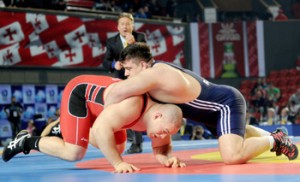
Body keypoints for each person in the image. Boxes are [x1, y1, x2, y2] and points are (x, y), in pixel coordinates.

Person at [104, 42, 298, 163]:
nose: (126, 74)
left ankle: (275, 140)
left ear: (144, 65)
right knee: (243, 134)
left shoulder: (154, 73)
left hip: (225, 103)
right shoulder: (151, 76)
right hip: (210, 112)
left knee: (232, 156)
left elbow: (114, 94)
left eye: (129, 68)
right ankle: (277, 136)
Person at [2, 75, 185, 173]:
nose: (162, 136)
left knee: (118, 147)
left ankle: (66, 128)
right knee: (74, 152)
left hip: (103, 112)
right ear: (158, 115)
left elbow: (161, 148)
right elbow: (100, 129)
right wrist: (118, 164)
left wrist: (167, 157)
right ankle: (24, 141)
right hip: (80, 94)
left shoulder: (161, 120)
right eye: (164, 132)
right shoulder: (133, 106)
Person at [103, 12, 147, 154]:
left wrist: (134, 43)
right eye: (122, 24)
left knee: (135, 109)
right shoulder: (111, 41)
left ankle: (137, 143)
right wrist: (113, 65)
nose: (125, 26)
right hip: (119, 80)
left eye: (128, 24)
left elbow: (146, 56)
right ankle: (126, 140)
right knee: (120, 111)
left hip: (136, 79)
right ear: (117, 27)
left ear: (132, 26)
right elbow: (105, 61)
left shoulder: (140, 38)